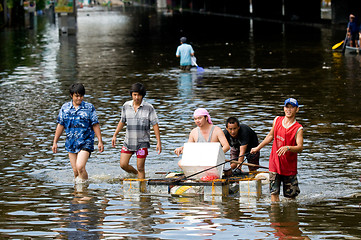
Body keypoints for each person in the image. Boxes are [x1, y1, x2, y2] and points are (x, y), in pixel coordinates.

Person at [250, 98, 303, 202]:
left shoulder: (298, 128)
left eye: (292, 107)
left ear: (297, 109)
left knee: (291, 198)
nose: (289, 109)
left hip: (289, 167)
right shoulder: (277, 120)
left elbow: (300, 147)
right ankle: (275, 216)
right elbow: (270, 136)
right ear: (284, 108)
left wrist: (288, 147)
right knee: (274, 193)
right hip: (275, 163)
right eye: (287, 107)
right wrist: (257, 148)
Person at [52, 83, 104, 182]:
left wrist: (100, 141)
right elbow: (60, 125)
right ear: (71, 96)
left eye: (81, 96)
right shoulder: (65, 108)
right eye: (77, 96)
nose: (79, 98)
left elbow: (95, 124)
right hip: (71, 142)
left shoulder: (89, 107)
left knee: (80, 167)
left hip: (86, 141)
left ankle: (84, 189)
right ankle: (78, 193)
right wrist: (55, 142)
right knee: (75, 171)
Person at [112, 82, 161, 179]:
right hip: (128, 141)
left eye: (139, 95)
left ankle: (142, 190)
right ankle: (136, 175)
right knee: (123, 164)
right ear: (131, 94)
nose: (136, 97)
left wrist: (158, 142)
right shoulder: (126, 106)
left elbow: (155, 124)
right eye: (134, 95)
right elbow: (122, 121)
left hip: (142, 142)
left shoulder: (149, 108)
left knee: (140, 167)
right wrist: (115, 134)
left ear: (142, 95)